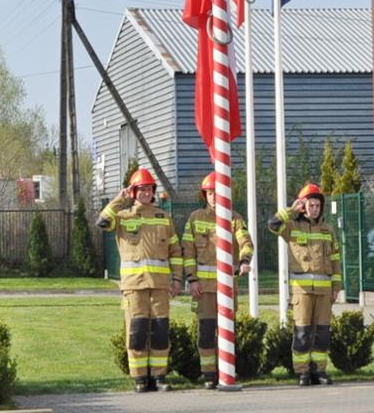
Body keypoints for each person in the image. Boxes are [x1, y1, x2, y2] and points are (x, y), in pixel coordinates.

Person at [98, 168, 182, 392]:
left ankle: (159, 377)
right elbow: (103, 222)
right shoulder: (123, 217)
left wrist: (177, 279)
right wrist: (119, 199)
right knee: (137, 332)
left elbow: (175, 252)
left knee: (160, 331)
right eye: (140, 189)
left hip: (160, 286)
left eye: (148, 189)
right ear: (133, 192)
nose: (145, 193)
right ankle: (139, 379)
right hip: (134, 288)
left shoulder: (164, 219)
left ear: (153, 192)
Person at [175, 172, 255, 389]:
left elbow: (246, 242)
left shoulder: (235, 219)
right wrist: (191, 279)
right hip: (204, 288)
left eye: (217, 193)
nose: (213, 197)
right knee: (207, 332)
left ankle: (227, 371)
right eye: (210, 194)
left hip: (227, 288)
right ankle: (209, 375)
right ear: (205, 195)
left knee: (227, 332)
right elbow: (187, 252)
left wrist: (245, 260)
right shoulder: (195, 219)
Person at [269, 182, 343, 386]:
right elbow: (273, 224)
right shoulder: (292, 228)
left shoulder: (328, 230)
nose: (314, 209)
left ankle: (319, 371)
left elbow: (336, 260)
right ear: (304, 206)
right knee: (302, 333)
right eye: (310, 205)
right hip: (301, 292)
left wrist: (336, 287)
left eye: (317, 205)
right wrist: (292, 210)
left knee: (322, 334)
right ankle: (302, 373)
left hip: (324, 293)